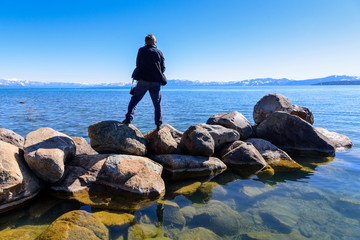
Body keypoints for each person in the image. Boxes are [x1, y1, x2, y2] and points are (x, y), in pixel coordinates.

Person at [123, 34, 166, 130]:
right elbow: (163, 68)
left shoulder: (141, 50)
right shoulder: (159, 52)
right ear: (154, 42)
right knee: (157, 103)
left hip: (143, 80)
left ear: (146, 42)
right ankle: (159, 124)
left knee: (135, 99)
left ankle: (128, 119)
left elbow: (138, 64)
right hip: (156, 81)